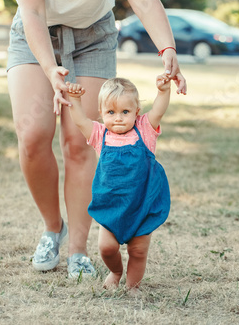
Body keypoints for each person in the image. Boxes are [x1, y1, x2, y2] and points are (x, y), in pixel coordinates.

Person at [7, 0, 187, 279]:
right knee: (34, 136)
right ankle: (53, 228)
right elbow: (31, 12)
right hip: (36, 39)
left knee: (81, 141)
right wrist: (51, 70)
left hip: (93, 37)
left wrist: (167, 48)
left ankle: (78, 250)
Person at [66, 76, 171, 292]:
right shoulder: (100, 135)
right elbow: (79, 121)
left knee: (138, 251)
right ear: (102, 113)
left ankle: (133, 287)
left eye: (125, 112)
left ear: (137, 111)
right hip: (111, 206)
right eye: (111, 113)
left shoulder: (145, 131)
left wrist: (163, 91)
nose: (118, 119)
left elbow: (159, 111)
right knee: (106, 248)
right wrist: (75, 101)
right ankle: (115, 271)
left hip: (141, 205)